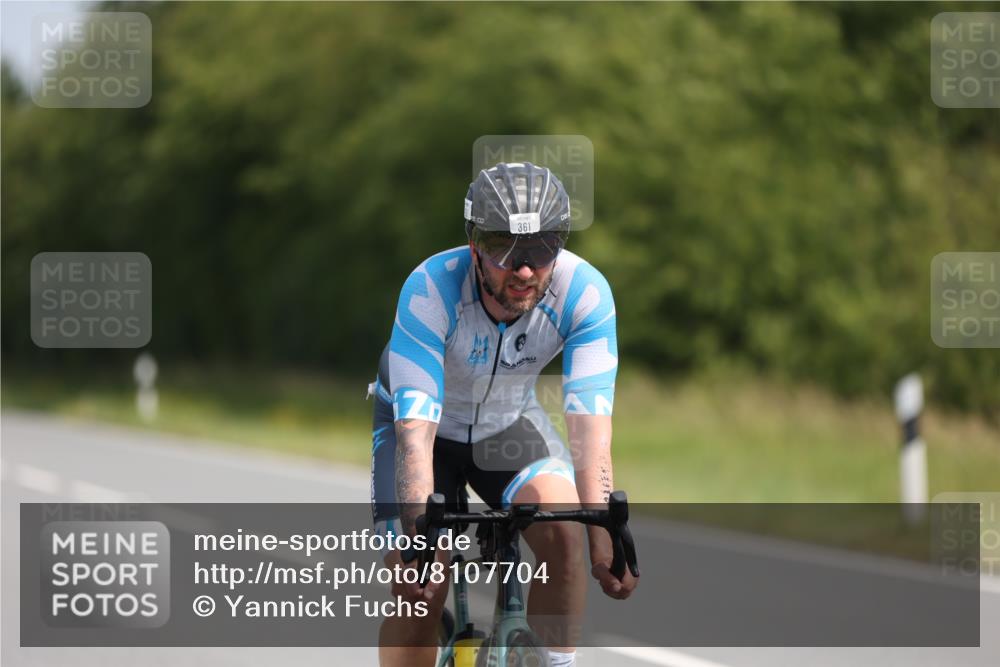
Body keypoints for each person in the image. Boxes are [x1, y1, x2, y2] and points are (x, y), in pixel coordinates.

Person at [369, 162, 638, 667]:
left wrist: (605, 541)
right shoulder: (430, 289)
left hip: (506, 424)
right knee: (423, 585)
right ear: (473, 244)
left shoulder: (585, 294)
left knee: (564, 535)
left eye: (541, 249)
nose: (523, 269)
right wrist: (417, 541)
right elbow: (414, 438)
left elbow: (590, 436)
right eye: (503, 249)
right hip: (425, 435)